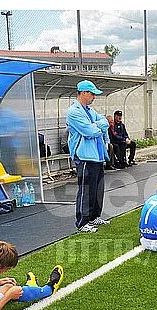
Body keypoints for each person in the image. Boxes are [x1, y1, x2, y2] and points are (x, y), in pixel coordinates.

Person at [66, 80, 111, 233]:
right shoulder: (74, 112)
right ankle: (82, 221)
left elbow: (104, 121)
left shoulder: (90, 111)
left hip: (97, 155)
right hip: (85, 156)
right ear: (84, 93)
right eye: (92, 94)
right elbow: (90, 131)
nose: (94, 97)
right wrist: (99, 126)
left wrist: (99, 126)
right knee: (86, 190)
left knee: (98, 188)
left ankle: (94, 216)